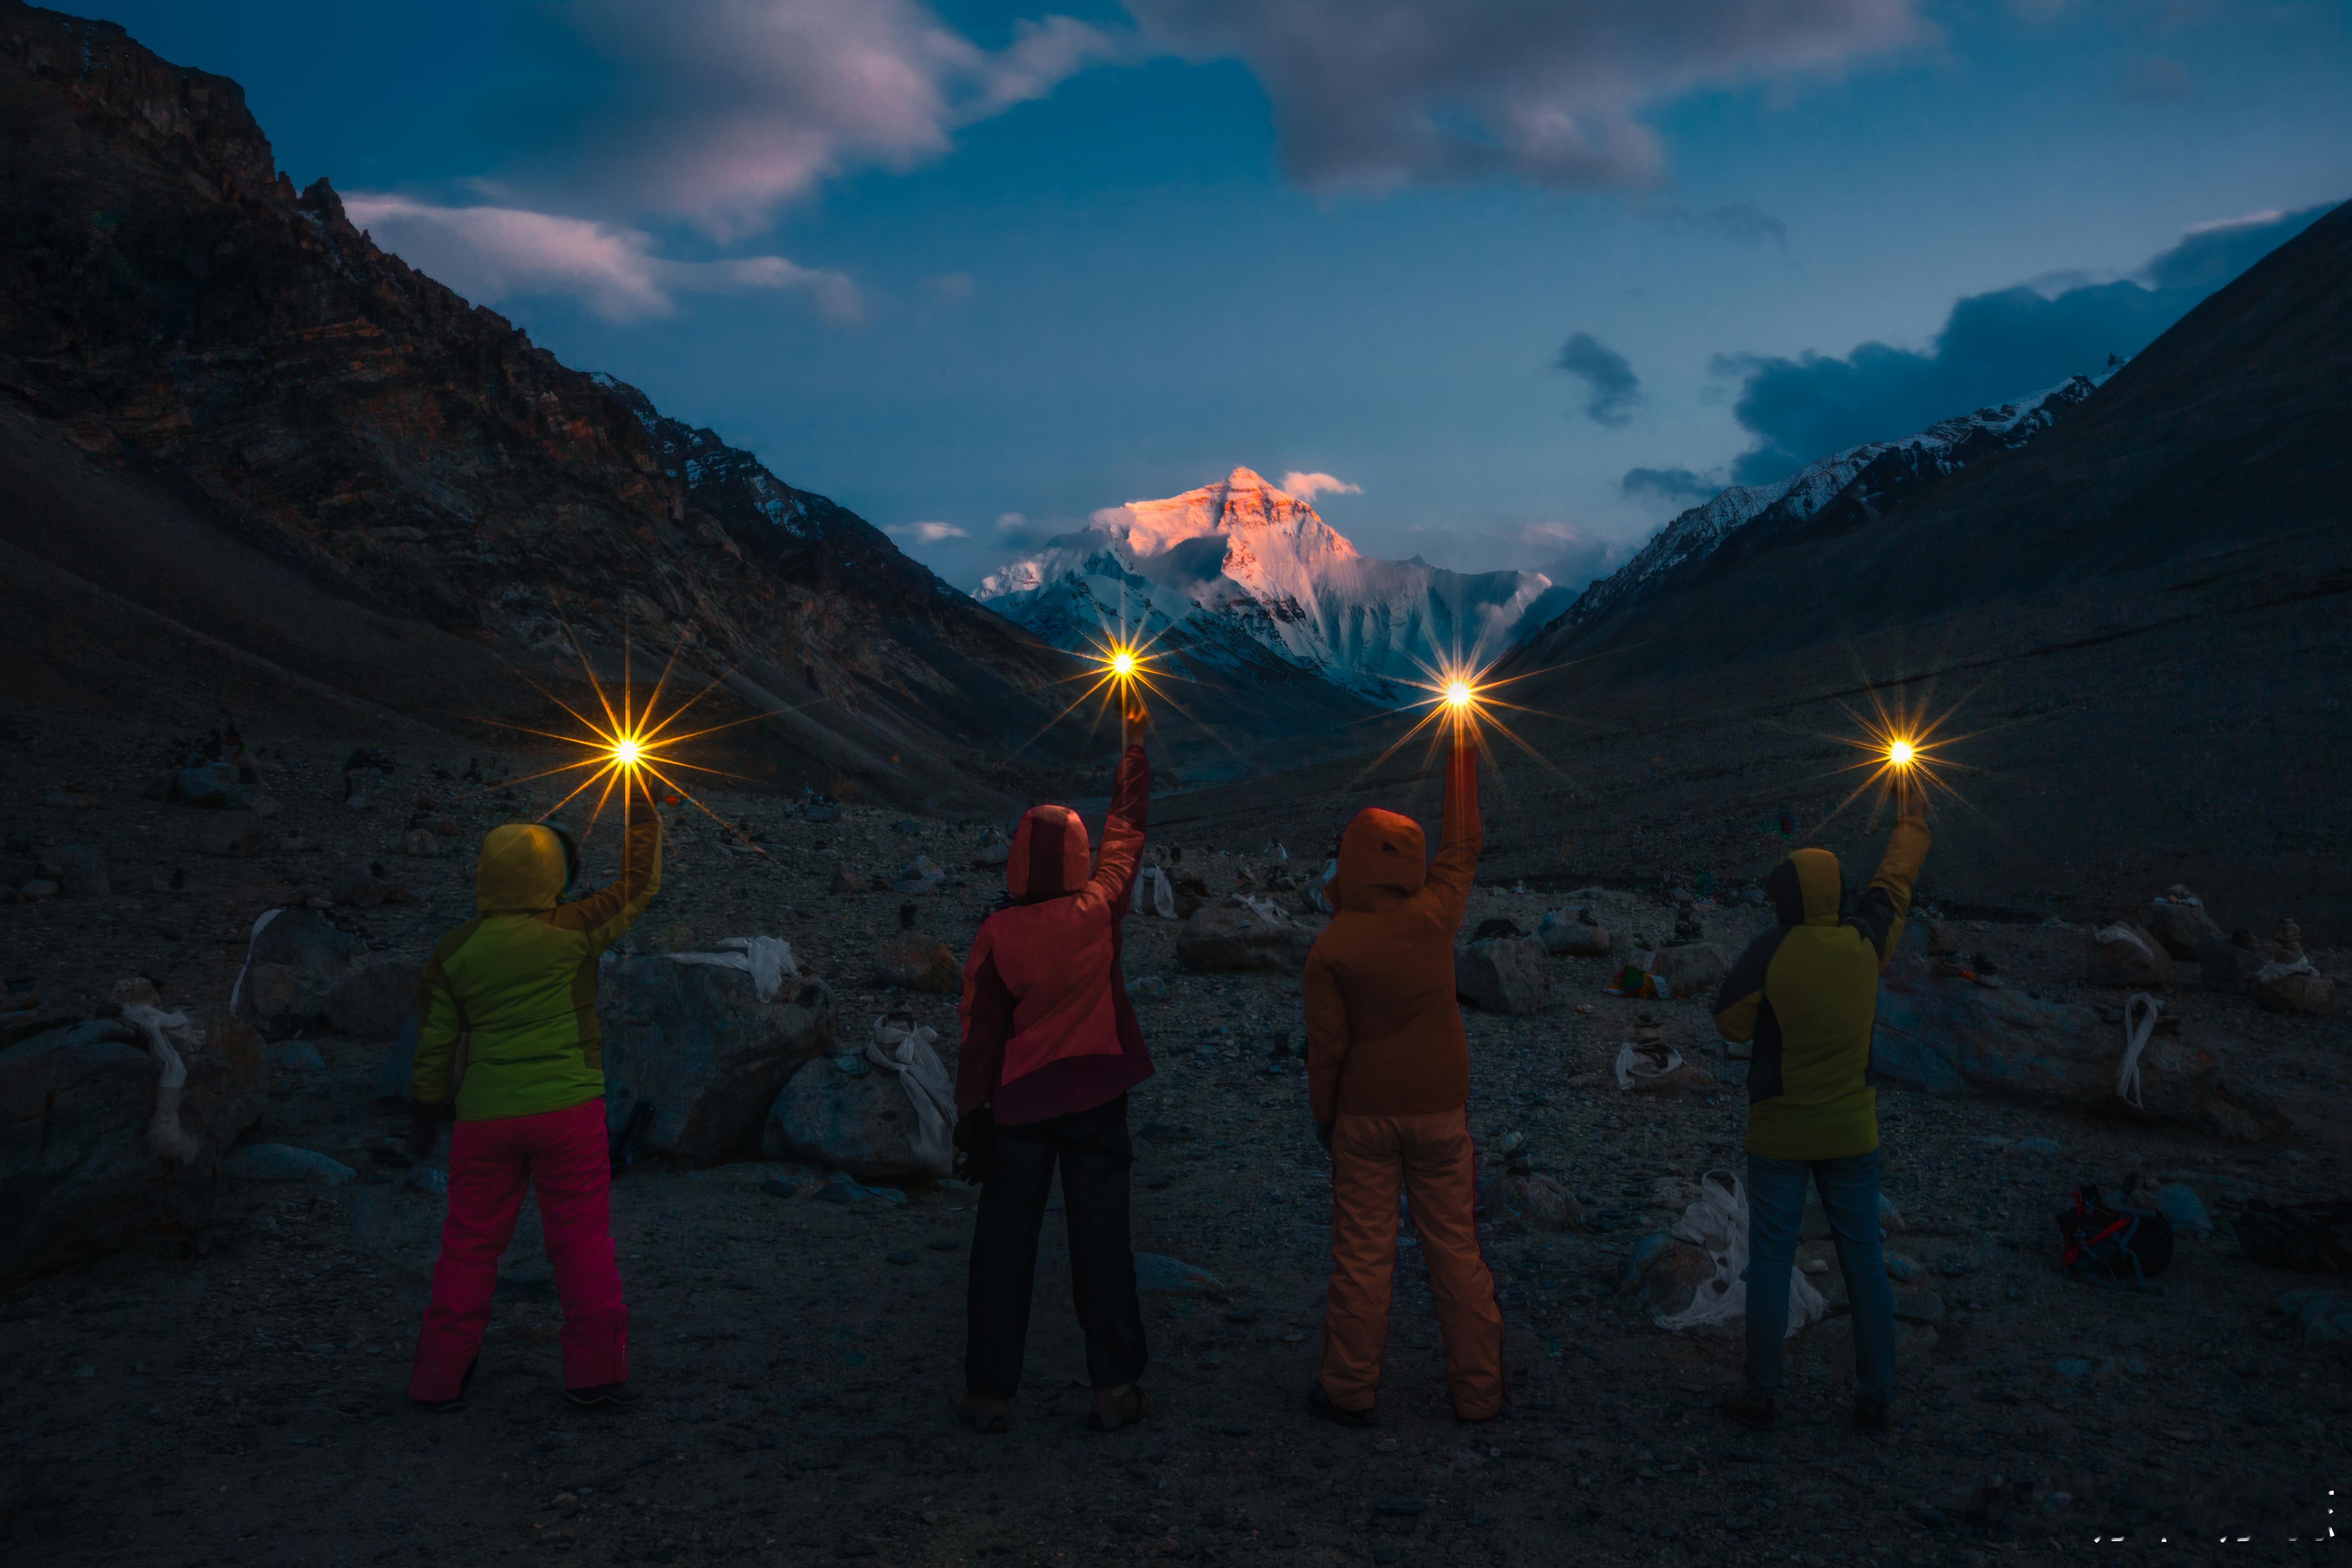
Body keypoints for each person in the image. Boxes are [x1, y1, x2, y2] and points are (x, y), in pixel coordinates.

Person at [406, 783, 664, 1413]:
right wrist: (644, 813)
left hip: (485, 1117)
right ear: (553, 872)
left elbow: (435, 1048)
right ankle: (595, 1373)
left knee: (468, 1245)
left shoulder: (455, 951)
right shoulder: (573, 928)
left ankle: (439, 1378)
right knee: (581, 1241)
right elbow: (638, 886)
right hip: (568, 1111)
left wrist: (423, 1116)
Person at [954, 694, 1155, 1435]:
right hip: (1098, 1092)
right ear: (1076, 857)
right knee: (1103, 1239)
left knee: (1003, 1243)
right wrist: (1133, 748)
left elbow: (979, 1034)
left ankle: (988, 1393)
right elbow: (1128, 832)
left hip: (1018, 1109)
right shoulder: (1099, 907)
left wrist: (969, 1114)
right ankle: (1113, 1388)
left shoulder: (997, 934)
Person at [1713, 767, 1929, 1434]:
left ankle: (1762, 1391)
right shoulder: (1865, 942)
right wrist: (1911, 818)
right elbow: (1893, 883)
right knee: (1862, 1257)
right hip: (1851, 1130)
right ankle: (1875, 1395)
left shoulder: (1770, 951)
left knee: (1772, 1262)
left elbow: (1729, 1023)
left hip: (1779, 1134)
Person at [1301, 722, 1504, 1427]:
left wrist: (1324, 1117)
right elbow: (1463, 847)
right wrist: (1459, 753)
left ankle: (1349, 1387)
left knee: (1362, 1254)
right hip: (1440, 1110)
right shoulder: (1434, 916)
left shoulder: (1329, 949)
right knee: (1454, 1248)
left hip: (1361, 1115)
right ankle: (1479, 1391)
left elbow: (1326, 1048)